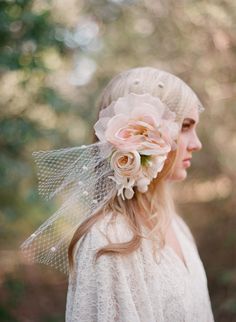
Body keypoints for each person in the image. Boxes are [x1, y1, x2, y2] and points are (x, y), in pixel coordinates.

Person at [20, 67, 214, 321]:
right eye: (185, 126)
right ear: (144, 135)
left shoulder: (174, 224)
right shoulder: (108, 241)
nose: (197, 143)